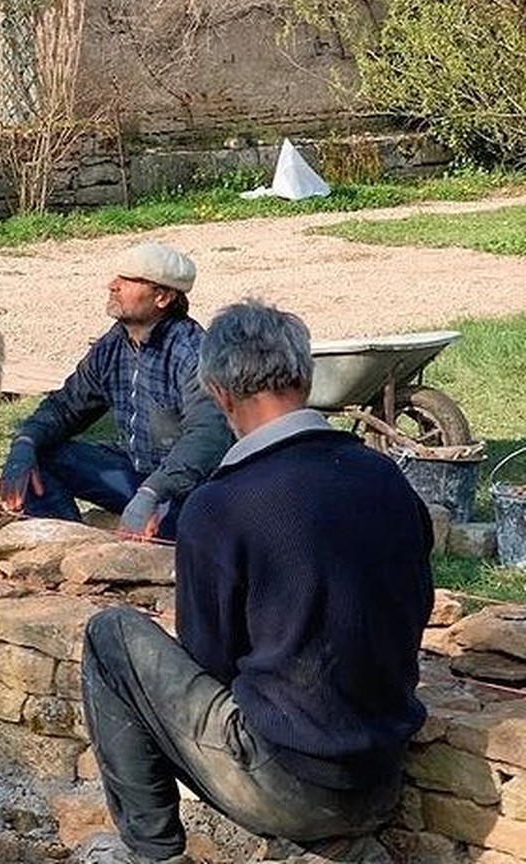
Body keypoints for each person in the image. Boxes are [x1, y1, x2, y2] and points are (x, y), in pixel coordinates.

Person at [77, 300, 434, 864]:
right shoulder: (385, 476)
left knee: (110, 634)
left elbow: (208, 665)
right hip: (381, 772)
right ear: (304, 375)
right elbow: (414, 607)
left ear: (219, 393)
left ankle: (153, 852)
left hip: (283, 785)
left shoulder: (218, 505)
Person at [0, 241, 232, 536]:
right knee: (40, 455)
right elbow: (66, 406)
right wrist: (24, 445)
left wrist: (151, 493)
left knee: (187, 523)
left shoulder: (193, 352)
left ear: (162, 296)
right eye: (116, 277)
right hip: (138, 477)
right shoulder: (113, 345)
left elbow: (207, 438)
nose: (112, 285)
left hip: (189, 493)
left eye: (128, 280)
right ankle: (70, 549)